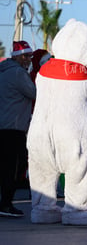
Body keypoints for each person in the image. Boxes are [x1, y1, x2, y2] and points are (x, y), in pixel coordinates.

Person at [0, 41, 36, 217]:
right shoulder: (18, 73)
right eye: (27, 56)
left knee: (5, 166)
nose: (29, 59)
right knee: (14, 167)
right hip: (14, 128)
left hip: (3, 126)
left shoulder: (3, 70)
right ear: (18, 57)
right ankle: (6, 205)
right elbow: (34, 93)